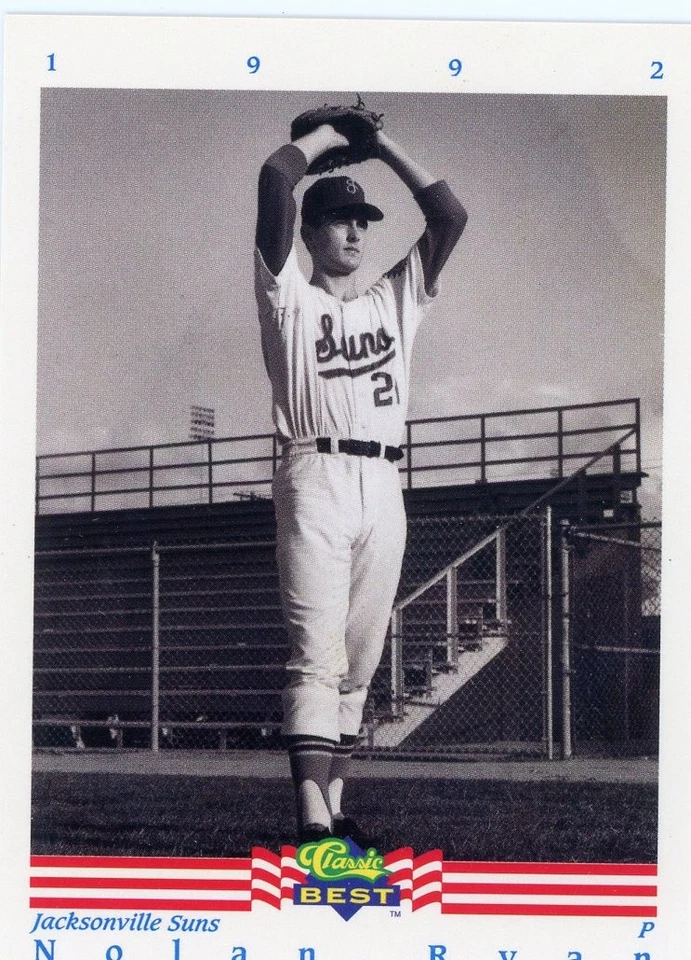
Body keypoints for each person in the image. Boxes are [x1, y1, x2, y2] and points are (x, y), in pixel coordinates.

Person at [255, 116, 467, 845]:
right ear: (309, 232)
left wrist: (380, 148)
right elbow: (275, 180)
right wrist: (325, 141)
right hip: (312, 469)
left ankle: (335, 809)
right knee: (316, 654)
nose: (353, 232)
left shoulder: (392, 298)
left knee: (358, 664)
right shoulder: (286, 296)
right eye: (339, 218)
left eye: (361, 220)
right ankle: (311, 821)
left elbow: (449, 214)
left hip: (383, 482)